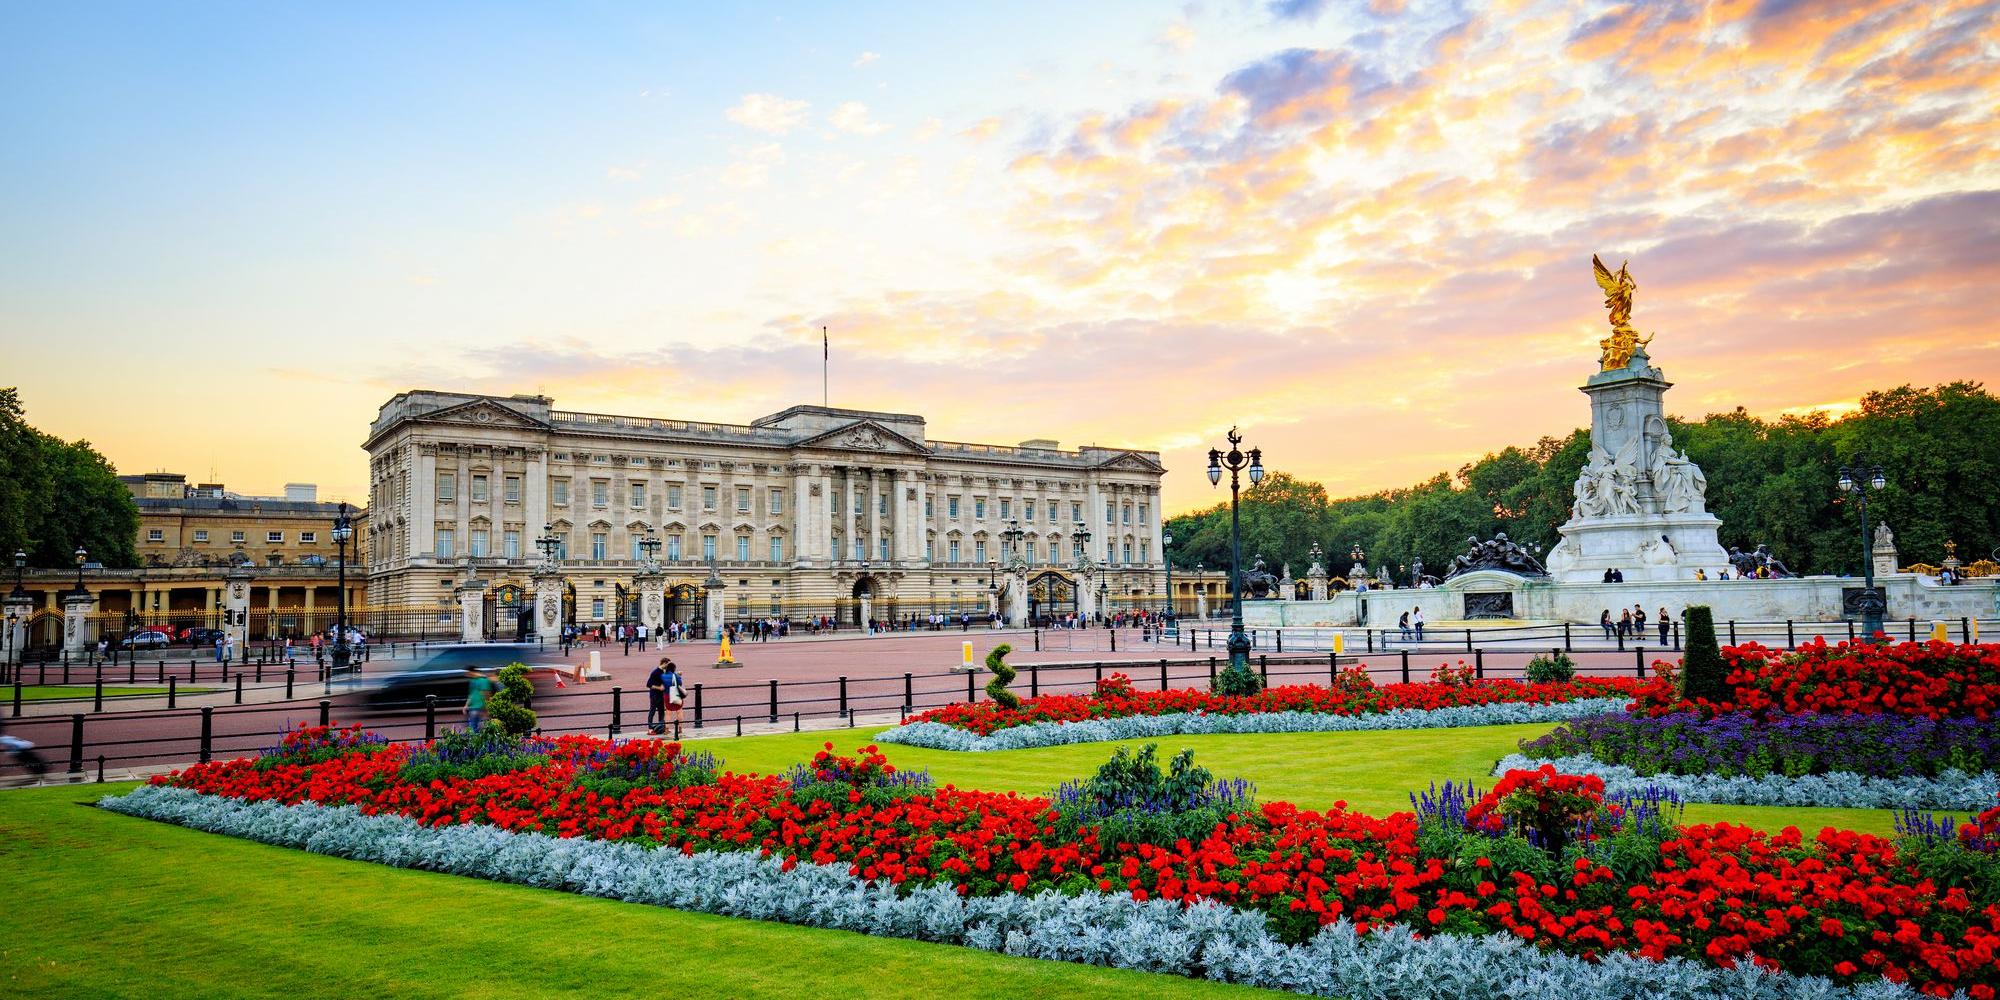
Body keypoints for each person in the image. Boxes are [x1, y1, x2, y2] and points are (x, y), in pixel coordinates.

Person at [644, 658, 668, 734]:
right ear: (664, 663)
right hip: (654, 694)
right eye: (668, 664)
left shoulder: (663, 672)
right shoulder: (655, 672)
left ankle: (661, 727)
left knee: (661, 711)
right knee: (652, 711)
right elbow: (648, 684)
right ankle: (650, 728)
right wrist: (659, 688)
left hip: (661, 695)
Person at [662, 658, 687, 732]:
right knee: (679, 711)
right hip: (676, 694)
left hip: (667, 695)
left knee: (668, 712)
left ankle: (666, 729)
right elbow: (680, 683)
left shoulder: (663, 676)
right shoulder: (675, 675)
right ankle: (680, 728)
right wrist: (679, 675)